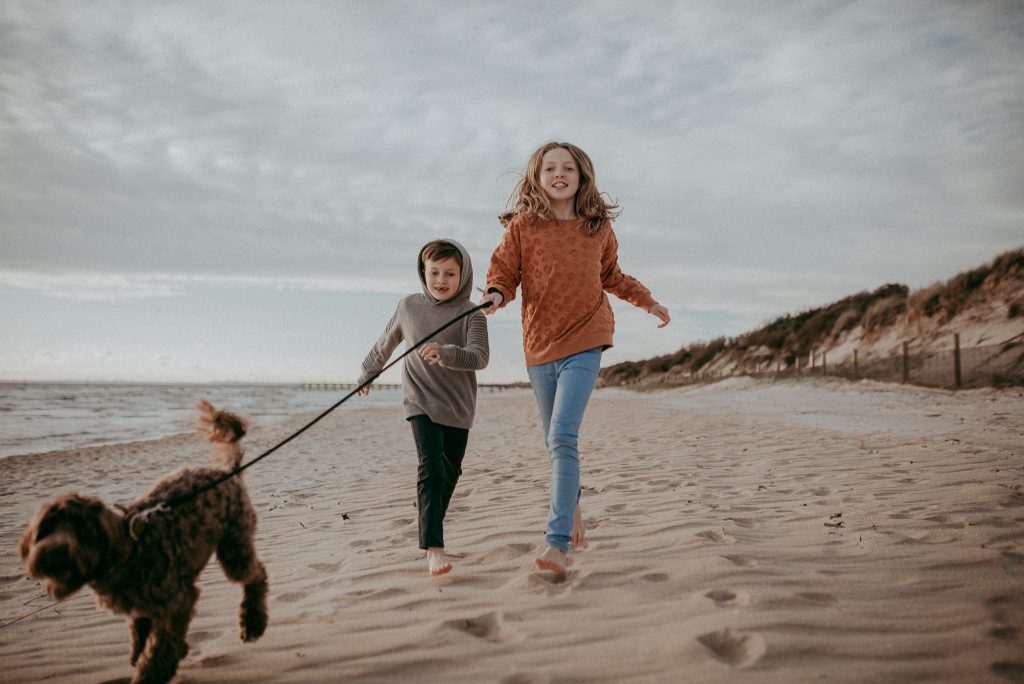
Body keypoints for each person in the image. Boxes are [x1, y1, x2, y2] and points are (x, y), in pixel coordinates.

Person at [481, 142, 670, 574]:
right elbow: (503, 275)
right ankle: (573, 508)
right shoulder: (522, 228)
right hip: (538, 344)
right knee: (554, 442)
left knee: (564, 436)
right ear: (537, 177)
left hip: (587, 337)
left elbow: (613, 277)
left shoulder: (596, 227)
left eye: (568, 168)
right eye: (550, 168)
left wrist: (649, 302)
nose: (559, 173)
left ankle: (556, 542)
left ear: (583, 177)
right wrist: (494, 296)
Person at [357, 239, 489, 576]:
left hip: (458, 405)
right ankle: (434, 548)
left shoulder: (472, 313)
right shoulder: (409, 307)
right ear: (423, 272)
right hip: (419, 399)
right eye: (434, 272)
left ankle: (428, 518)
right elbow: (385, 342)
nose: (441, 280)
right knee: (430, 469)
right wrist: (367, 373)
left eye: (449, 273)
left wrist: (447, 352)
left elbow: (480, 357)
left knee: (450, 473)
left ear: (464, 275)